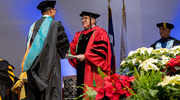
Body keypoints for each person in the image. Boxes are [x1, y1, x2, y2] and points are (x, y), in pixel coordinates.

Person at [12, 1, 69, 100]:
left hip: (34, 72)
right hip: (51, 70)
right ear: (51, 10)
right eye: (54, 10)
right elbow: (64, 45)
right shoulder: (56, 25)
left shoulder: (33, 26)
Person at [68, 11, 112, 99]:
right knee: (81, 92)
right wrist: (64, 51)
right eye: (82, 18)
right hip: (81, 69)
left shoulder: (100, 32)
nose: (83, 20)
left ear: (93, 20)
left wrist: (86, 56)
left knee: (92, 94)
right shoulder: (79, 35)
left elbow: (101, 50)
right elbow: (71, 47)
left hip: (93, 70)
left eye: (86, 18)